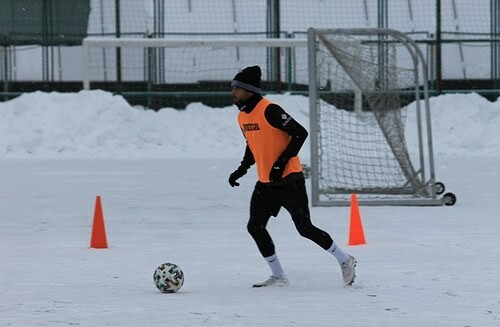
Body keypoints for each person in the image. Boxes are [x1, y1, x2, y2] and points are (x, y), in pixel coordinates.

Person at [228, 65, 357, 288]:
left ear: (248, 90)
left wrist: (281, 162)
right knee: (255, 227)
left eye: (236, 88)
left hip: (290, 181)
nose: (233, 92)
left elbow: (300, 133)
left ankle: (345, 260)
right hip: (266, 184)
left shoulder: (270, 110)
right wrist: (242, 168)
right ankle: (278, 276)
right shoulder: (242, 117)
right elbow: (252, 145)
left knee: (305, 228)